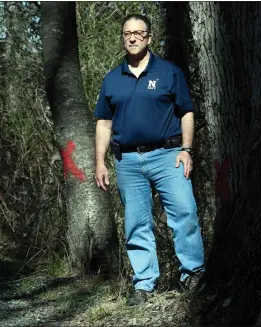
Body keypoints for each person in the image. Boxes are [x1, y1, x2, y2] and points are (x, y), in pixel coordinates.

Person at [93, 13, 205, 306]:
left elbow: (186, 112)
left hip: (169, 156)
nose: (132, 38)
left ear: (149, 38)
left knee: (184, 213)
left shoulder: (169, 72)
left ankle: (192, 274)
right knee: (136, 224)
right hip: (127, 162)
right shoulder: (112, 79)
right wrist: (100, 162)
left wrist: (187, 149)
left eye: (138, 33)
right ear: (123, 38)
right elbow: (103, 123)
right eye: (127, 33)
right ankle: (144, 284)